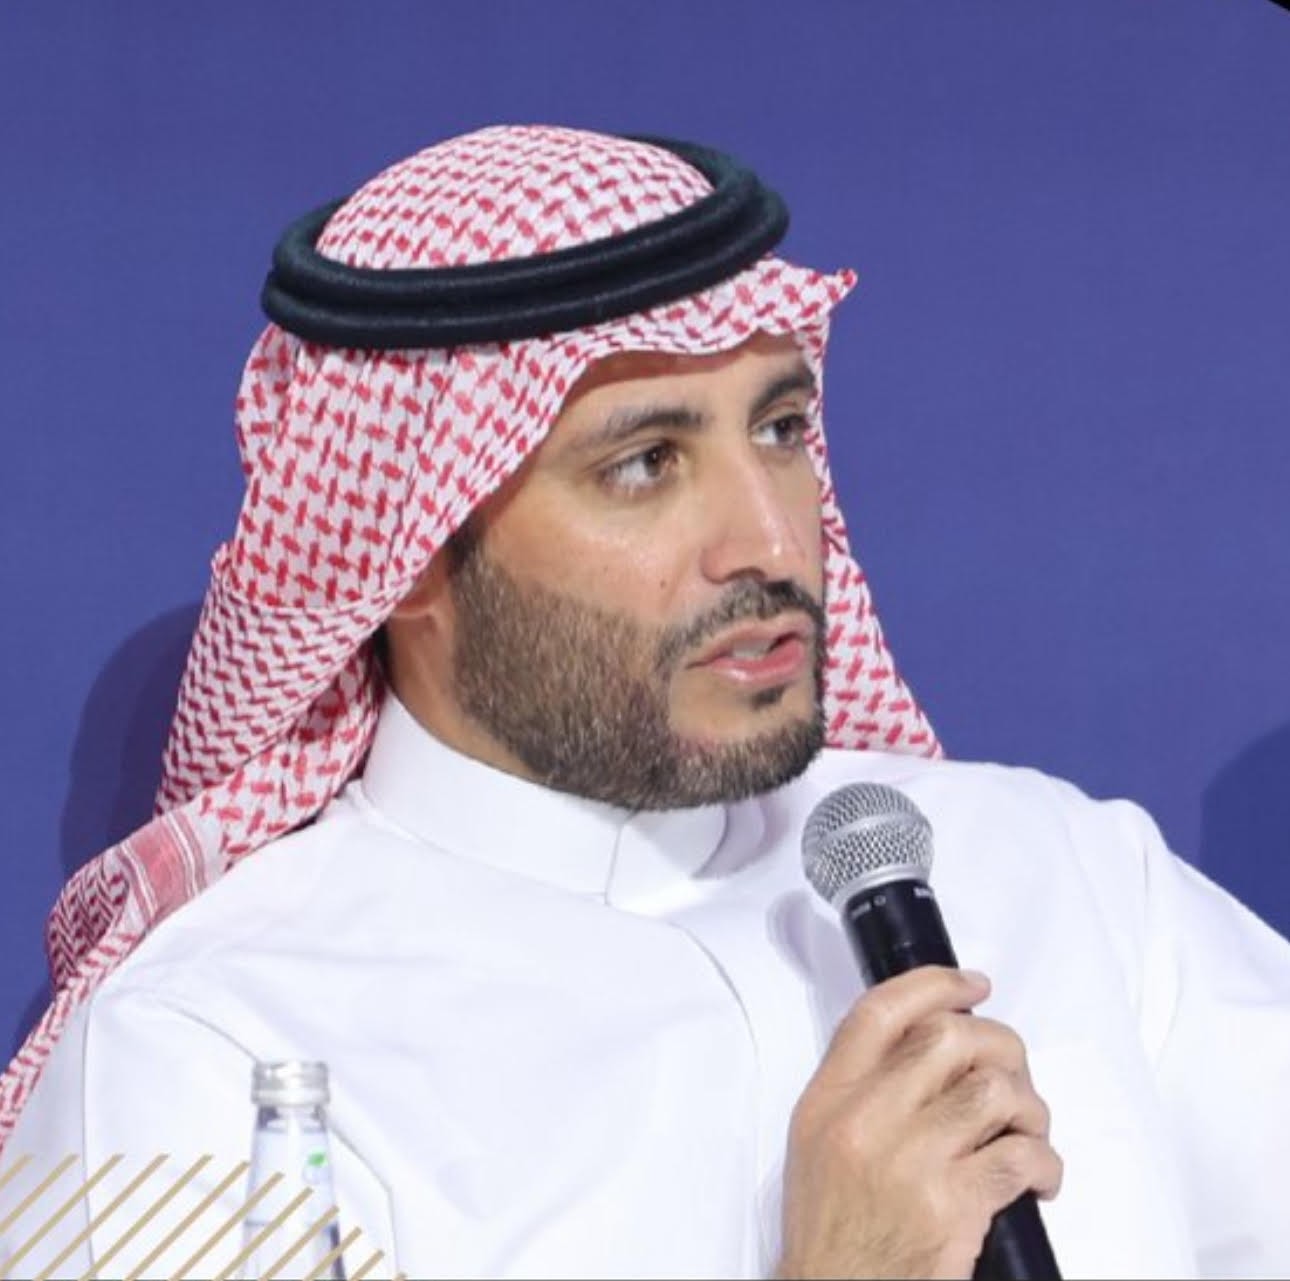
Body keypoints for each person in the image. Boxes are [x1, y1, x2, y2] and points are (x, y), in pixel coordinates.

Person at [1, 124, 1288, 1281]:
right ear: (408, 556)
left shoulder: (1067, 873)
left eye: (780, 431)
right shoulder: (204, 1051)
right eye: (645, 464)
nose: (771, 541)